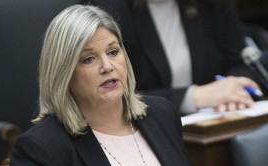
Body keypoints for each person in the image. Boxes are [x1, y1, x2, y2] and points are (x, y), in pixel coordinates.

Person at [7, 4, 207, 166]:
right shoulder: (41, 150)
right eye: (89, 59)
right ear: (63, 73)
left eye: (113, 52)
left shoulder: (162, 115)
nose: (107, 66)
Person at [79, 0, 265, 114]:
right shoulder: (109, 8)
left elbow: (242, 60)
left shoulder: (212, 3)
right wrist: (194, 97)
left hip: (216, 121)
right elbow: (111, 92)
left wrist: (235, 90)